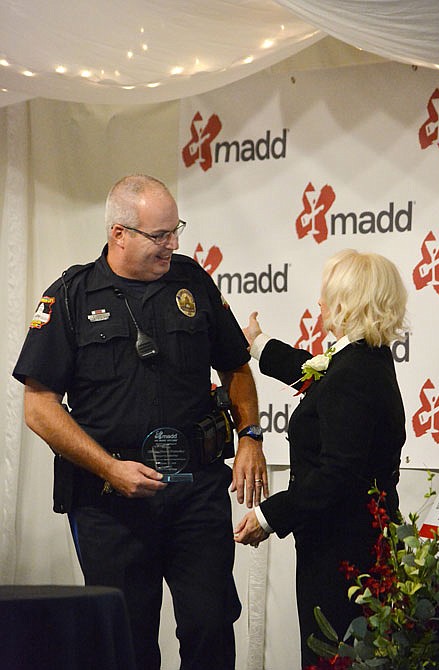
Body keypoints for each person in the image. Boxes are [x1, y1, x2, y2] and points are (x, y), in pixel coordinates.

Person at [13, 174, 269, 670]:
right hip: (110, 504)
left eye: (175, 231)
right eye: (159, 236)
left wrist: (251, 436)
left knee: (211, 624)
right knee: (126, 640)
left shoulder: (193, 281)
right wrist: (109, 468)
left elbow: (235, 364)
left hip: (195, 489)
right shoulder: (72, 296)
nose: (172, 244)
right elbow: (38, 405)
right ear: (119, 233)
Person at [234, 249, 407, 669]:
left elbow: (338, 473)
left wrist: (268, 516)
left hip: (343, 556)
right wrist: (257, 344)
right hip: (352, 546)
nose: (320, 304)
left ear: (348, 302)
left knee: (336, 657)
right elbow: (310, 369)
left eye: (327, 295)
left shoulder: (355, 374)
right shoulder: (361, 359)